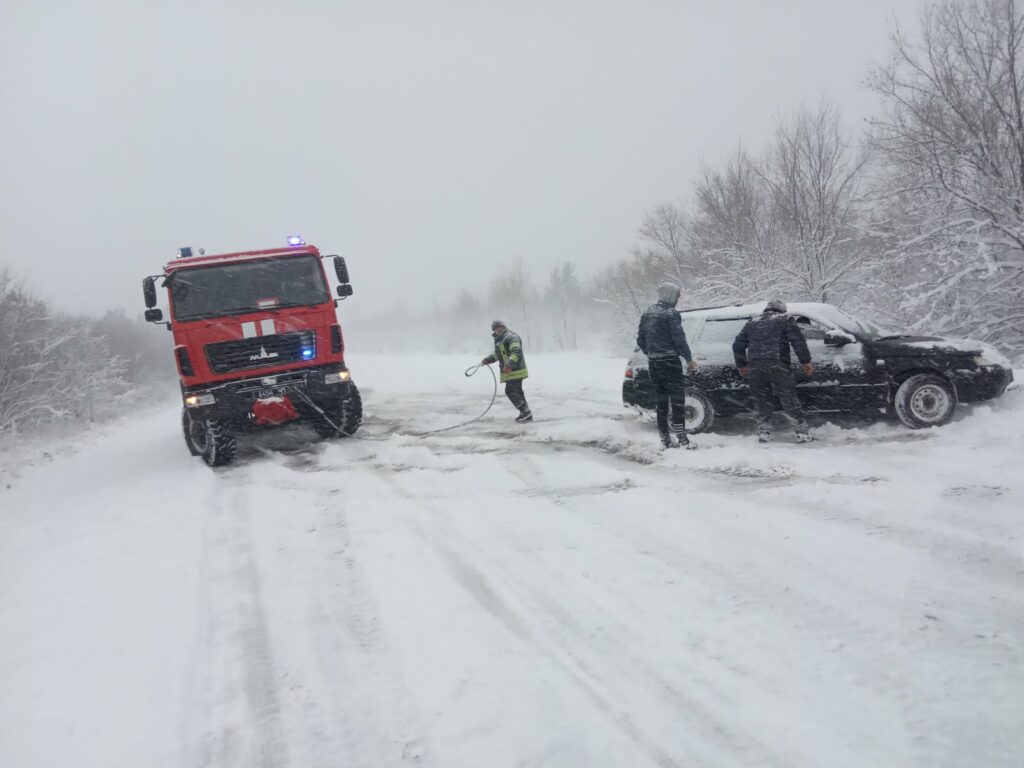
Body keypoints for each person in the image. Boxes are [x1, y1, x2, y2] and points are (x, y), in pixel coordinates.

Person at [732, 299, 815, 443]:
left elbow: (737, 345)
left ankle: (764, 432)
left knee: (761, 399)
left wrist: (742, 365)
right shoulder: (785, 320)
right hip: (777, 364)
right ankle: (801, 433)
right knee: (788, 398)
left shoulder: (752, 322)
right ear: (782, 310)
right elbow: (798, 341)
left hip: (755, 366)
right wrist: (806, 361)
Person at [636, 283, 699, 449]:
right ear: (670, 295)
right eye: (677, 296)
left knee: (661, 402)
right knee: (677, 401)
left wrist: (652, 353)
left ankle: (665, 440)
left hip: (654, 364)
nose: (678, 299)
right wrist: (688, 358)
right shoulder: (670, 314)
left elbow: (640, 340)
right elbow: (679, 339)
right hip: (670, 363)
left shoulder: (647, 313)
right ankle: (682, 439)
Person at [481, 320, 532, 422]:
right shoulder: (499, 340)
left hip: (516, 370)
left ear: (504, 327)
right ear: (494, 330)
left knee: (510, 391)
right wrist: (488, 360)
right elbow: (497, 354)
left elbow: (516, 352)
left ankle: (525, 412)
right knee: (518, 392)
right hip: (509, 372)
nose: (498, 329)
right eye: (496, 328)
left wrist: (509, 365)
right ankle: (525, 413)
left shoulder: (511, 337)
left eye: (500, 327)